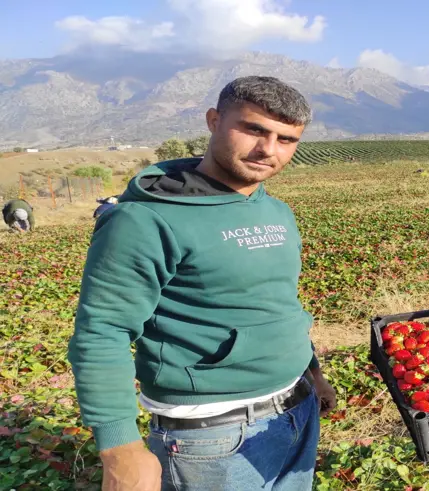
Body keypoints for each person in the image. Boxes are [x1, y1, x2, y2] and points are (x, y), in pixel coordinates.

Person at [68, 76, 337, 491]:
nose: (268, 149)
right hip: (213, 437)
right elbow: (102, 331)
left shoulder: (277, 211)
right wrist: (119, 449)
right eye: (253, 129)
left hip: (297, 409)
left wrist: (313, 373)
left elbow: (278, 304)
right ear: (214, 121)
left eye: (286, 139)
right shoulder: (143, 220)